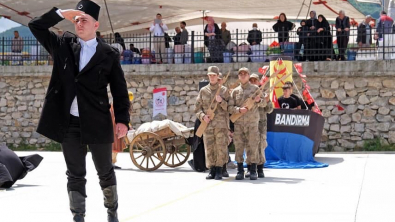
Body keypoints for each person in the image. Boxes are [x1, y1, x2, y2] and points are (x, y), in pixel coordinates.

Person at [28, 1, 131, 221]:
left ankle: (112, 214)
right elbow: (35, 26)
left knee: (105, 171)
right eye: (76, 20)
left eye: (84, 19)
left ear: (96, 24)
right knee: (75, 174)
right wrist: (60, 13)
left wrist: (122, 120)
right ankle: (78, 217)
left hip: (98, 121)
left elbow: (120, 91)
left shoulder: (109, 54)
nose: (79, 23)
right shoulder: (63, 44)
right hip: (69, 123)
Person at [228, 67, 267, 180]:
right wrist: (238, 110)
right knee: (239, 147)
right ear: (239, 76)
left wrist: (259, 100)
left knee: (253, 146)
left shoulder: (255, 89)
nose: (243, 75)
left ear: (249, 75)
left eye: (245, 74)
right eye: (241, 74)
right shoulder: (235, 92)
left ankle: (253, 170)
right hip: (239, 124)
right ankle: (240, 170)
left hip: (252, 123)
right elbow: (230, 108)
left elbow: (264, 104)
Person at [194, 66, 229, 180]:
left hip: (220, 125)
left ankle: (219, 169)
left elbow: (230, 108)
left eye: (214, 75)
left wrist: (221, 101)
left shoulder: (224, 90)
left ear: (218, 76)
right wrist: (203, 116)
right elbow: (197, 109)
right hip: (207, 125)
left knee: (220, 147)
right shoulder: (203, 91)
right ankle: (211, 169)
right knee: (209, 148)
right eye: (210, 75)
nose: (212, 77)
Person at [245, 73, 273, 178]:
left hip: (260, 124)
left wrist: (267, 101)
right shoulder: (246, 93)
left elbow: (269, 110)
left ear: (258, 82)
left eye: (255, 80)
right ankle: (249, 168)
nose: (253, 82)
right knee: (248, 145)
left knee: (260, 146)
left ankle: (260, 169)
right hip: (248, 123)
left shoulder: (263, 94)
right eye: (251, 80)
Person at [112, 91, 134, 169]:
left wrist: (128, 125)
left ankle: (112, 162)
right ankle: (111, 163)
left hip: (119, 127)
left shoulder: (125, 105)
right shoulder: (118, 106)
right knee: (114, 145)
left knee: (117, 146)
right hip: (115, 127)